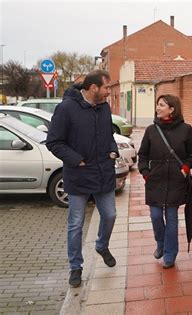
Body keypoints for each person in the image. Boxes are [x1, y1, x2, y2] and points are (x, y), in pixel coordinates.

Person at [46, 70, 119, 288]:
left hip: (103, 172)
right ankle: (76, 267)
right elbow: (54, 142)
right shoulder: (67, 108)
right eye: (106, 87)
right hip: (78, 174)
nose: (109, 92)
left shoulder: (104, 108)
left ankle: (101, 245)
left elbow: (109, 135)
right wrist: (76, 159)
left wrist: (113, 150)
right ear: (93, 87)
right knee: (75, 224)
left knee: (111, 214)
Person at [138, 94, 192, 269]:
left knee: (171, 218)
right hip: (154, 180)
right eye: (157, 105)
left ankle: (170, 255)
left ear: (172, 109)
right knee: (156, 216)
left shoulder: (186, 129)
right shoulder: (151, 130)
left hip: (176, 180)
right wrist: (145, 173)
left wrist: (186, 167)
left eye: (161, 105)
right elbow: (143, 155)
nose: (158, 108)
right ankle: (161, 243)